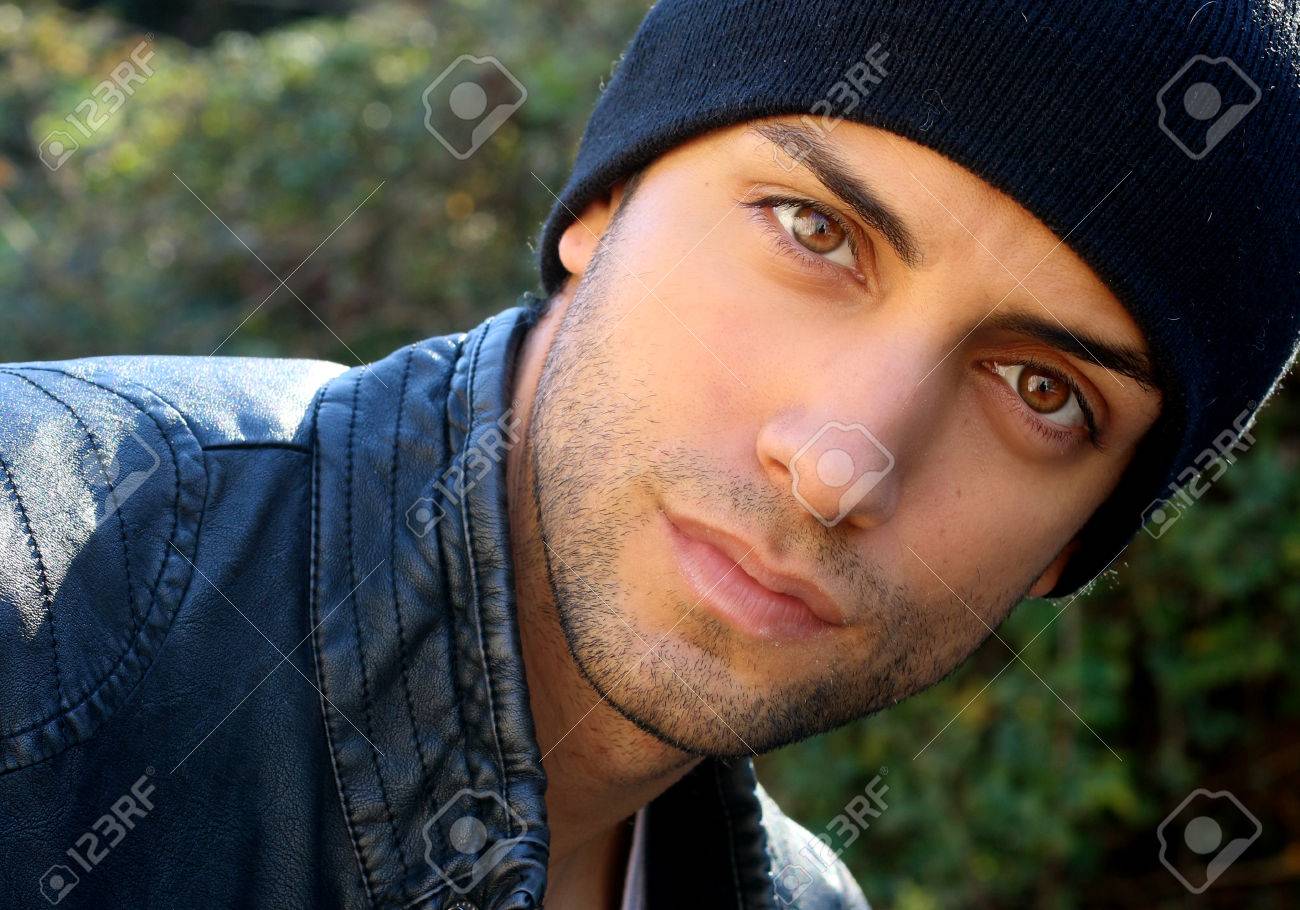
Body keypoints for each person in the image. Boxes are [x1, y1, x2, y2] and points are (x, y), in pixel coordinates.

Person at [2, 1, 1297, 907]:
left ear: (1076, 541)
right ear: (606, 200)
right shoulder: (34, 592)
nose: (840, 464)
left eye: (1042, 390)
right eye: (813, 229)